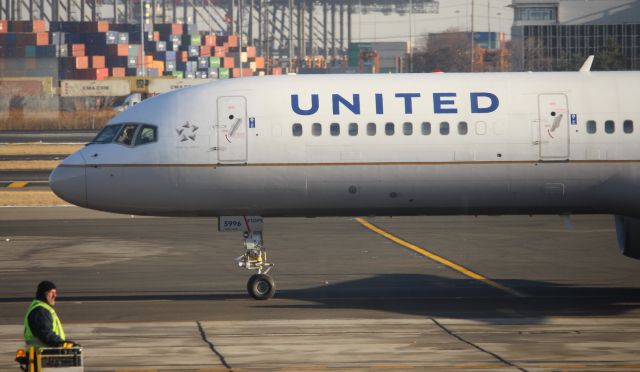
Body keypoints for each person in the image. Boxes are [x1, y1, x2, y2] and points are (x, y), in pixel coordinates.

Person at [23, 281, 75, 348]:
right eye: (52, 292)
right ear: (43, 294)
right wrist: (61, 343)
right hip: (41, 353)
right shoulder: (40, 310)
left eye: (55, 293)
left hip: (43, 352)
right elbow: (45, 333)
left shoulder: (41, 308)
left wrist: (63, 342)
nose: (55, 295)